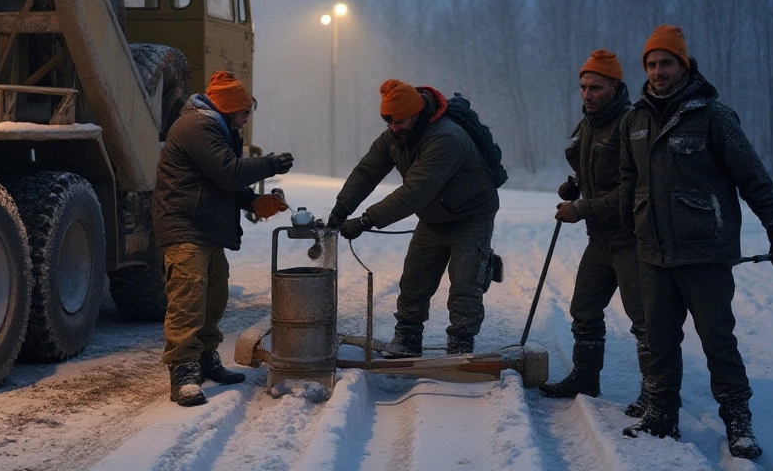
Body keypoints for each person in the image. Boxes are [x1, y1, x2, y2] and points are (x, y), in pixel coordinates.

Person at [618, 25, 773, 459]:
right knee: (659, 340)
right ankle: (661, 416)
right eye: (651, 64)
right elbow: (629, 178)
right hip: (653, 252)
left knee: (718, 340)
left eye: (667, 62)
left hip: (705, 250)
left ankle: (738, 422)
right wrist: (631, 225)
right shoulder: (635, 119)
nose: (658, 71)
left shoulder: (714, 116)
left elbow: (753, 177)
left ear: (684, 65)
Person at [327, 79, 500, 357]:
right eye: (389, 123)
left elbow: (414, 192)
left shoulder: (446, 138)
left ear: (418, 114)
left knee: (465, 285)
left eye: (400, 122)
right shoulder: (395, 137)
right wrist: (341, 208)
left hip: (471, 215)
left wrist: (366, 220)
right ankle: (407, 339)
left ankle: (460, 345)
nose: (394, 129)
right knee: (413, 282)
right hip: (433, 217)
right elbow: (367, 172)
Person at [153, 71, 293, 407]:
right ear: (230, 109)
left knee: (213, 298)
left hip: (205, 228)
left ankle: (204, 359)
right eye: (245, 113)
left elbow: (220, 180)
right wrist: (271, 163)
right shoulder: (198, 126)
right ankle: (183, 372)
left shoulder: (217, 127)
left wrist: (253, 202)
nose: (246, 121)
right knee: (187, 301)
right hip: (185, 225)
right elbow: (229, 172)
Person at [540, 50, 651, 418]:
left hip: (632, 239)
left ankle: (655, 393)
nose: (587, 94)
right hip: (599, 238)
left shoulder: (631, 124)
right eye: (583, 87)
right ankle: (585, 379)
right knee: (584, 310)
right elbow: (593, 172)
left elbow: (630, 191)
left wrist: (581, 208)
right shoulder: (587, 123)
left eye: (596, 87)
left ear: (615, 86)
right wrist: (575, 187)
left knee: (645, 319)